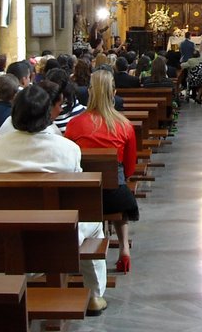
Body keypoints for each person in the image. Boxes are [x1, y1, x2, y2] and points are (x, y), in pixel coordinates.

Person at [0, 82, 108, 316]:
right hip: (58, 234)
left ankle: (3, 283)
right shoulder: (67, 149)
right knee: (94, 226)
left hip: (7, 229)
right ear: (47, 114)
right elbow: (78, 192)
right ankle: (94, 295)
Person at [65, 71, 139, 274]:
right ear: (113, 93)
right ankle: (124, 248)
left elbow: (69, 159)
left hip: (83, 195)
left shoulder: (74, 124)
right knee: (120, 186)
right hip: (115, 196)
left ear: (90, 93)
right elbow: (130, 167)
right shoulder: (124, 125)